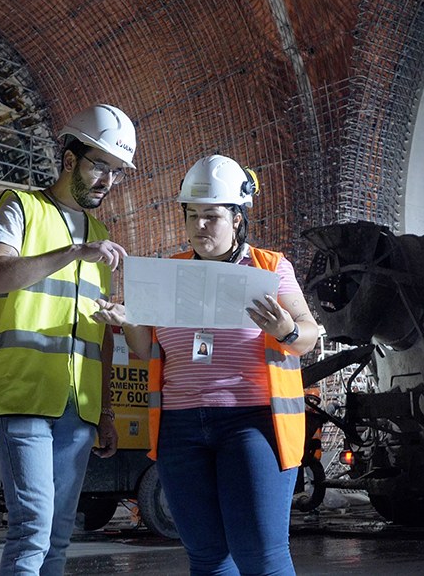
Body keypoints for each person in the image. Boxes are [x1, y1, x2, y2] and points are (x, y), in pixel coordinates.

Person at [93, 154, 318, 575]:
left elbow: (307, 337)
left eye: (210, 216)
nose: (199, 226)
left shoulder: (269, 268)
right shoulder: (170, 273)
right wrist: (130, 321)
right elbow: (146, 350)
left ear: (237, 218)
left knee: (259, 555)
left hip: (251, 424)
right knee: (207, 557)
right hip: (180, 428)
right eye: (191, 215)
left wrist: (286, 328)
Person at [0, 104, 138, 575]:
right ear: (69, 160)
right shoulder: (21, 208)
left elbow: (100, 335)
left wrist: (106, 410)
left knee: (60, 536)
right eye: (99, 165)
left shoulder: (103, 235)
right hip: (24, 394)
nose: (107, 180)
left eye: (116, 172)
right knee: (33, 528)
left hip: (78, 407)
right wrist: (71, 252)